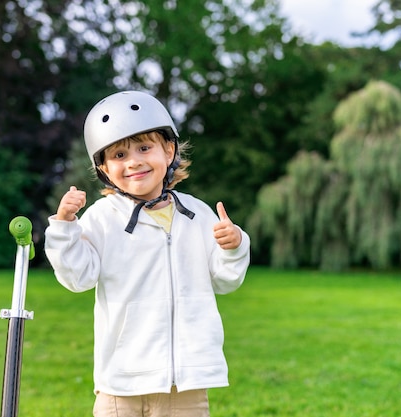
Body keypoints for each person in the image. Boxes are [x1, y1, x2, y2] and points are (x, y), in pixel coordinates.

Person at [44, 90, 251, 417]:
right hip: (121, 382)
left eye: (144, 147)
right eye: (120, 155)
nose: (135, 161)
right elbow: (77, 278)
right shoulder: (102, 217)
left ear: (169, 151)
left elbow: (225, 280)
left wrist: (234, 246)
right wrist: (65, 227)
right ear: (104, 168)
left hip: (185, 383)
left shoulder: (196, 214)